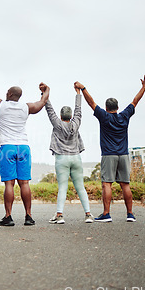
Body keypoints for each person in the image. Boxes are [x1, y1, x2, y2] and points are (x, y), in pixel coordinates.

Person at [0, 66, 49, 226]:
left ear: (9, 94)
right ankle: (28, 216)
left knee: (9, 184)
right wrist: (45, 90)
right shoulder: (26, 107)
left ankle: (8, 216)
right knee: (25, 183)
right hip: (23, 147)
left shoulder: (0, 105)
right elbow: (42, 102)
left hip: (7, 147)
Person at [75, 74, 145, 222]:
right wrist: (144, 87)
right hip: (123, 154)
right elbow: (135, 101)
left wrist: (82, 88)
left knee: (107, 184)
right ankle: (130, 214)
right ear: (117, 108)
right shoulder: (124, 115)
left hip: (109, 155)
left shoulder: (103, 116)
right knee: (125, 184)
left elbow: (91, 103)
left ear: (106, 108)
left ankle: (106, 214)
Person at [45, 85, 94, 224]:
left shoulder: (57, 124)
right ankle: (88, 215)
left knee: (63, 187)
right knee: (81, 187)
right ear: (71, 116)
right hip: (76, 158)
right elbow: (79, 111)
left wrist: (44, 93)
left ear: (60, 116)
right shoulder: (76, 124)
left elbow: (49, 110)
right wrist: (78, 93)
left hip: (61, 158)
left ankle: (60, 215)